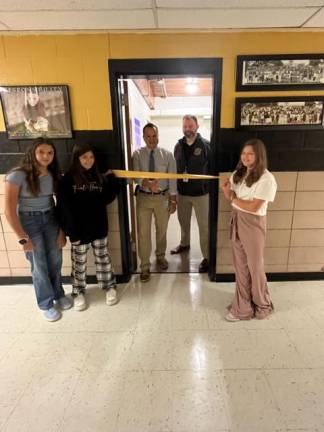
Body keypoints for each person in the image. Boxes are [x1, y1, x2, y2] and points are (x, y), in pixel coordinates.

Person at [4, 137, 72, 322]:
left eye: (50, 153)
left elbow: (58, 204)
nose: (46, 156)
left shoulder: (53, 173)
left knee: (55, 260)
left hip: (50, 218)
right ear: (33, 153)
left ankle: (59, 294)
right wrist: (22, 238)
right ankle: (46, 303)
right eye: (41, 152)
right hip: (29, 222)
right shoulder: (17, 175)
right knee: (39, 264)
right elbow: (9, 211)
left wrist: (61, 230)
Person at [57, 143, 120, 311]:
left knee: (103, 258)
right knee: (79, 263)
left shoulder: (97, 175)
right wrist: (70, 232)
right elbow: (63, 208)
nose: (88, 160)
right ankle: (78, 292)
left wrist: (111, 180)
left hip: (99, 226)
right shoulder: (67, 179)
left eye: (91, 157)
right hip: (78, 230)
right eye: (84, 157)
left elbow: (106, 198)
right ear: (77, 158)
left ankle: (109, 286)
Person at [220, 138, 277, 322]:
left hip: (253, 224)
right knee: (241, 267)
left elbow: (254, 207)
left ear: (258, 156)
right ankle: (243, 306)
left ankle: (262, 303)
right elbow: (231, 195)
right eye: (243, 153)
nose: (245, 157)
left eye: (250, 154)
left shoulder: (267, 178)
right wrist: (226, 191)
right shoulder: (239, 173)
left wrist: (233, 199)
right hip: (237, 220)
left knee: (255, 267)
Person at [132, 122, 177, 283]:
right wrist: (146, 183)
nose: (152, 139)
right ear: (143, 137)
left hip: (162, 198)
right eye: (148, 136)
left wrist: (173, 200)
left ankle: (160, 257)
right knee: (143, 233)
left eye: (154, 136)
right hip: (144, 198)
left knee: (162, 230)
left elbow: (173, 179)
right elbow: (135, 175)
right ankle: (144, 266)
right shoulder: (137, 154)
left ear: (158, 136)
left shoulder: (168, 155)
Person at [171, 115, 211, 273]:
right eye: (185, 126)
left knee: (203, 227)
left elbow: (212, 168)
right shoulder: (178, 145)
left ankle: (207, 257)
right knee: (183, 222)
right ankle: (184, 243)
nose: (188, 129)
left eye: (191, 126)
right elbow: (175, 170)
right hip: (183, 193)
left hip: (201, 194)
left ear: (197, 126)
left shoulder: (206, 145)